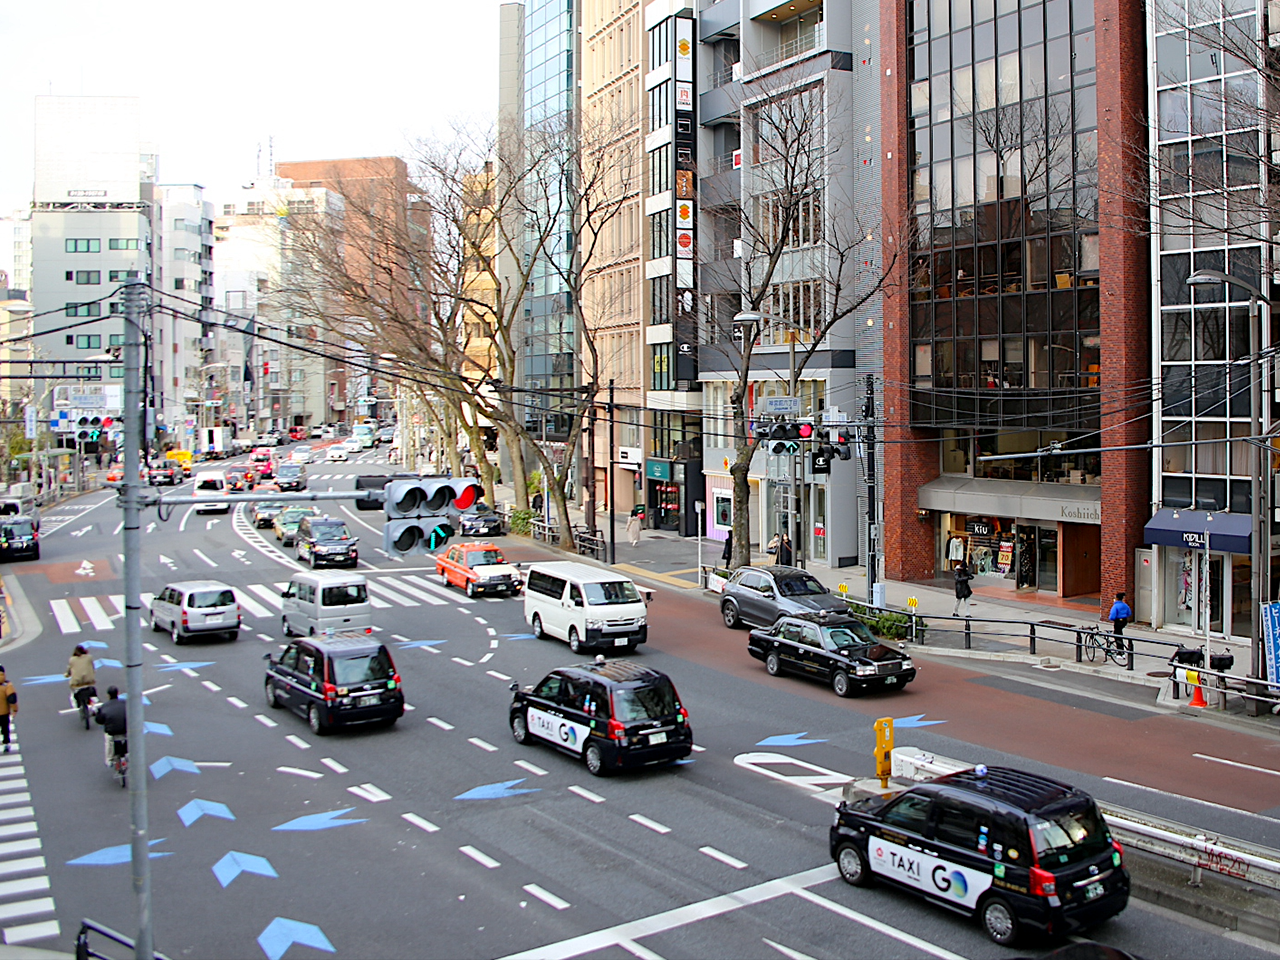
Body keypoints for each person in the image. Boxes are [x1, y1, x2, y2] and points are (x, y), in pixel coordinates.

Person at [94, 686, 127, 766]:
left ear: (108, 695)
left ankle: (109, 760)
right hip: (125, 729)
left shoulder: (104, 706)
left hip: (112, 731)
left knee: (109, 741)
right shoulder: (125, 703)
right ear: (118, 693)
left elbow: (99, 720)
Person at [65, 644, 96, 715]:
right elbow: (93, 668)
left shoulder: (72, 660)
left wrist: (67, 674)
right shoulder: (89, 658)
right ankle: (94, 707)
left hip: (77, 684)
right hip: (89, 682)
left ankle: (76, 706)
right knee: (92, 694)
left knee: (72, 694)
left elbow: (69, 671)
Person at [0, 667, 16, 754]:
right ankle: (6, 743)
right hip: (4, 713)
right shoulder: (7, 686)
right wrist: (15, 709)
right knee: (5, 728)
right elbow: (12, 699)